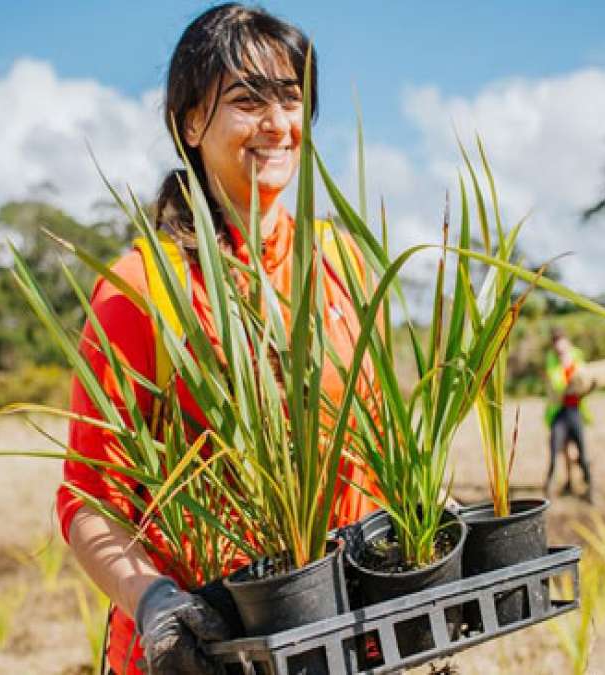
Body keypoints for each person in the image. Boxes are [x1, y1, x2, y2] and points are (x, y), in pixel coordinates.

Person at [55, 6, 377, 674]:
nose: (276, 123)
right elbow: (91, 499)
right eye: (246, 100)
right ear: (191, 122)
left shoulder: (339, 259)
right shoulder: (144, 286)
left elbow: (372, 441)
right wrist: (154, 604)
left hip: (347, 633)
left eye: (290, 99)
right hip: (208, 649)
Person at [541, 328, 594, 502]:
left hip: (575, 411)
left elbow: (585, 381)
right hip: (559, 413)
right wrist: (565, 371)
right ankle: (549, 489)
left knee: (581, 451)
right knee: (556, 450)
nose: (560, 351)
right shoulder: (551, 361)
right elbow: (557, 386)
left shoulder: (577, 357)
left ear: (568, 344)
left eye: (562, 347)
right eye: (557, 348)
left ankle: (590, 488)